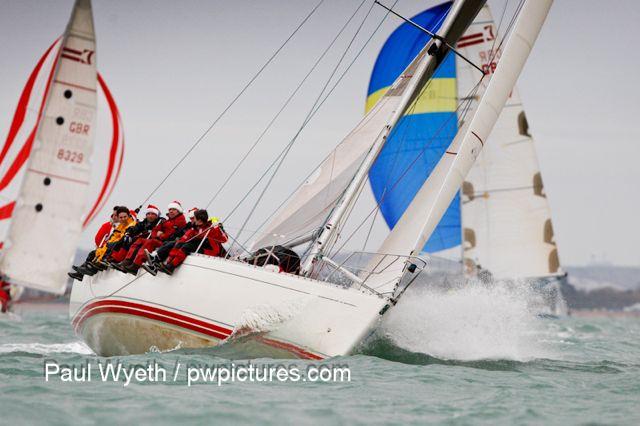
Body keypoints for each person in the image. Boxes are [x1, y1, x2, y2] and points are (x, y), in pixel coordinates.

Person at [69, 207, 134, 281]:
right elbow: (111, 238)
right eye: (121, 217)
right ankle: (81, 272)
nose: (122, 219)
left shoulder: (128, 225)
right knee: (93, 253)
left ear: (128, 216)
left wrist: (108, 245)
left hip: (116, 249)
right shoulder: (118, 226)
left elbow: (120, 239)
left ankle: (89, 269)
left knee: (100, 254)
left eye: (124, 217)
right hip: (110, 247)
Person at [121, 201, 187, 274]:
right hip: (160, 240)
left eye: (174, 209)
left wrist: (161, 235)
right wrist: (157, 234)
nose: (171, 211)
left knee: (150, 242)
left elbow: (171, 235)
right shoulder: (167, 221)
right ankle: (127, 261)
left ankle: (136, 265)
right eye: (170, 209)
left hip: (166, 243)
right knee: (140, 240)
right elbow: (155, 230)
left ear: (179, 211)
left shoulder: (180, 221)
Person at [157, 209, 228, 275]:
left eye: (194, 218)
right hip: (199, 246)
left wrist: (218, 229)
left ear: (199, 220)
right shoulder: (195, 228)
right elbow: (184, 238)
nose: (193, 220)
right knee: (179, 244)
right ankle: (168, 264)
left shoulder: (212, 228)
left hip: (210, 250)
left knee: (187, 247)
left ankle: (172, 266)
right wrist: (179, 243)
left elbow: (225, 239)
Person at [141, 207, 198, 276]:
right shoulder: (188, 225)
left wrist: (162, 236)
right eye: (191, 218)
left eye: (193, 218)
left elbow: (178, 234)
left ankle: (155, 262)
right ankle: (154, 265)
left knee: (173, 244)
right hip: (173, 241)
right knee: (169, 243)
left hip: (186, 245)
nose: (192, 220)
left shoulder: (184, 223)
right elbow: (176, 234)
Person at [111, 204, 163, 273]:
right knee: (133, 240)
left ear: (156, 215)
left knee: (142, 242)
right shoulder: (144, 222)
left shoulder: (161, 222)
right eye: (148, 214)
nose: (150, 216)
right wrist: (128, 233)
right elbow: (135, 228)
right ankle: (126, 261)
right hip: (145, 240)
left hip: (155, 241)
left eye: (152, 214)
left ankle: (135, 265)